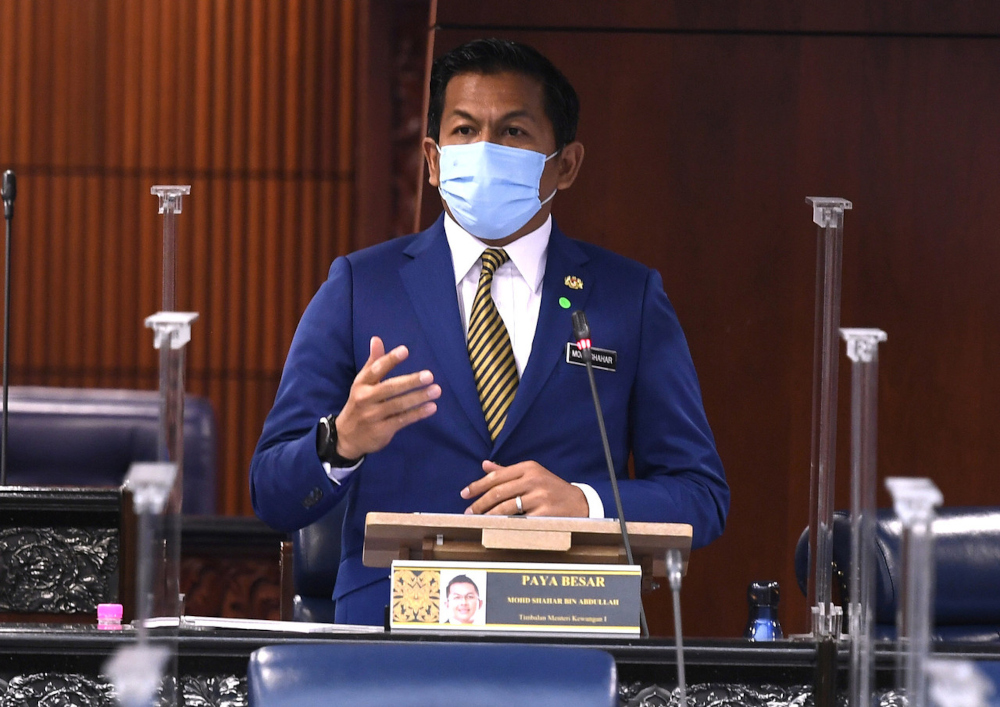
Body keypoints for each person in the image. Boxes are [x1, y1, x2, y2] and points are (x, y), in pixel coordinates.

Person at [250, 38, 729, 626]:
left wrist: (588, 504)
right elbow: (272, 492)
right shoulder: (360, 287)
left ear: (567, 164)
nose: (484, 150)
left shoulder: (628, 297)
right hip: (390, 635)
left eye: (513, 133)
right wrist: (340, 442)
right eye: (464, 130)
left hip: (567, 626)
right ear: (432, 159)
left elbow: (700, 495)